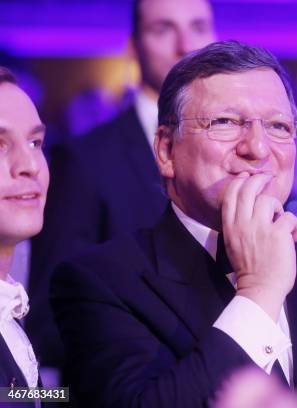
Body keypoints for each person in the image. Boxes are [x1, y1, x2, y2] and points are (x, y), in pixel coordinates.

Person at [50, 41, 297, 408]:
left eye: (278, 127)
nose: (257, 147)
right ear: (167, 151)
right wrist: (259, 294)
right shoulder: (102, 281)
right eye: (225, 122)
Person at [27, 0, 216, 381]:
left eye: (197, 27)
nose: (185, 45)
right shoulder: (85, 159)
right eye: (163, 29)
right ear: (134, 46)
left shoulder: (239, 150)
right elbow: (51, 315)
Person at [0, 67, 49, 398]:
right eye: (0, 145)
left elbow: (17, 397)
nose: (29, 164)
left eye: (35, 142)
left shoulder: (9, 312)